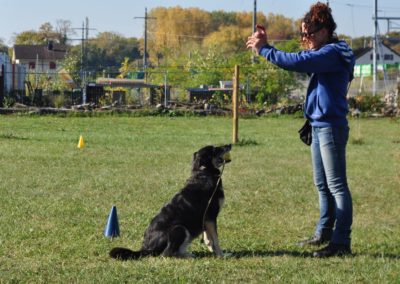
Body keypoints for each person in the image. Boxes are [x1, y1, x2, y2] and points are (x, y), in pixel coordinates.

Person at [246, 2, 355, 258]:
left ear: (324, 31)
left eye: (308, 34)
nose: (304, 40)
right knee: (322, 184)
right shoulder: (326, 51)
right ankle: (324, 232)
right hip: (318, 125)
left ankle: (341, 243)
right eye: (302, 34)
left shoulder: (332, 53)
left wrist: (264, 48)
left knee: (337, 185)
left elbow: (295, 61)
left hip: (330, 127)